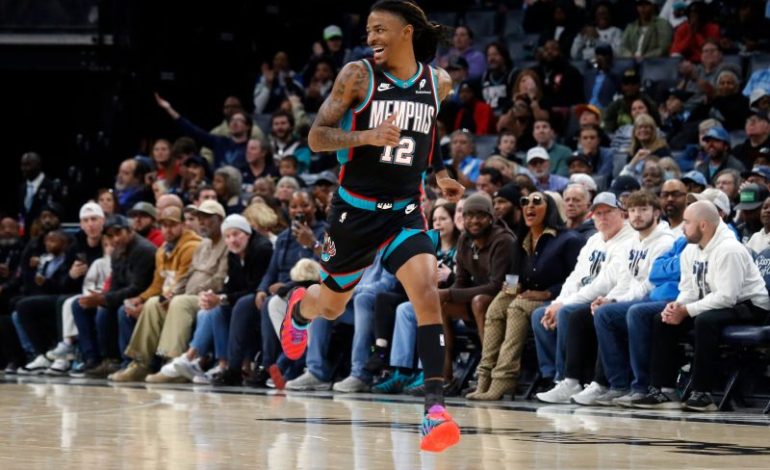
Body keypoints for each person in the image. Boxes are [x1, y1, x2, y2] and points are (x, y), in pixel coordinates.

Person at [281, 0, 464, 452]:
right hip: (354, 211)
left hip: (405, 209)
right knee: (331, 306)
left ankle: (435, 411)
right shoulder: (357, 76)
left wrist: (440, 175)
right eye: (369, 30)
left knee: (427, 295)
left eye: (380, 29)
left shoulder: (438, 82)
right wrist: (367, 136)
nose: (372, 38)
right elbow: (316, 137)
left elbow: (427, 135)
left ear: (407, 32)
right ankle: (300, 308)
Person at [631, 201, 770, 411]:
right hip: (716, 303)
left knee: (706, 320)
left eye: (687, 222)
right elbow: (689, 290)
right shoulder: (690, 250)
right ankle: (664, 390)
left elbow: (727, 297)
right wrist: (676, 306)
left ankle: (702, 392)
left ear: (703, 225)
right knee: (663, 319)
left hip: (751, 307)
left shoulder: (730, 249)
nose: (683, 228)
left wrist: (687, 311)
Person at [467, 192, 583, 400]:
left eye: (537, 202)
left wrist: (548, 292)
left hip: (556, 299)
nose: (529, 206)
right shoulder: (521, 238)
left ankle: (504, 378)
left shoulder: (569, 240)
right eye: (525, 202)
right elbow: (515, 275)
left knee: (517, 308)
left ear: (550, 208)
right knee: (495, 309)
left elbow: (579, 279)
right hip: (527, 295)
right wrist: (512, 286)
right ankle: (484, 377)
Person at [531, 192, 635, 397]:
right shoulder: (594, 240)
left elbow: (604, 283)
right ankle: (552, 378)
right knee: (539, 315)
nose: (603, 217)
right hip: (581, 298)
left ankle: (568, 379)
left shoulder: (629, 240)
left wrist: (564, 304)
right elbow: (575, 277)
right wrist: (558, 301)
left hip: (606, 299)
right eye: (598, 213)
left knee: (567, 312)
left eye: (608, 212)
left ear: (622, 214)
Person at [437, 193, 517, 391]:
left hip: (507, 297)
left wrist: (448, 294)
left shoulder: (503, 240)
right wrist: (443, 294)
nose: (473, 221)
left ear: (490, 217)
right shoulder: (464, 239)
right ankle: (444, 377)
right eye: (469, 215)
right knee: (441, 304)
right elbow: (461, 281)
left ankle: (488, 375)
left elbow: (496, 285)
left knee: (479, 302)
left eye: (480, 215)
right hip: (477, 301)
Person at [71, 215, 156, 377]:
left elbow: (138, 287)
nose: (115, 239)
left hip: (143, 298)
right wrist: (102, 297)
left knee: (109, 309)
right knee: (79, 304)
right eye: (110, 236)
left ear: (129, 231)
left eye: (118, 233)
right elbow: (116, 285)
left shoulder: (144, 250)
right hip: (125, 296)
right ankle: (92, 359)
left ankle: (119, 360)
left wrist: (104, 299)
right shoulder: (117, 251)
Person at [155, 93, 251, 171]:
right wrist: (169, 109)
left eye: (239, 120)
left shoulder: (251, 147)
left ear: (248, 126)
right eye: (232, 120)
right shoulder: (219, 142)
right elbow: (192, 130)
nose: (234, 123)